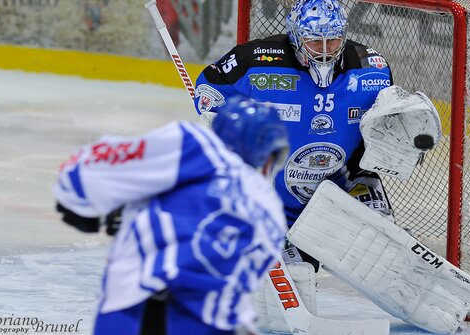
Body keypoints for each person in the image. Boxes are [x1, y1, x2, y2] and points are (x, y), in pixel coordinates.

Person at [53, 97, 291, 335]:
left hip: (137, 309)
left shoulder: (197, 145)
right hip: (213, 324)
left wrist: (93, 208)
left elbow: (80, 172)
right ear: (269, 155)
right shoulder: (271, 211)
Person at [194, 0, 395, 269]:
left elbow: (385, 126)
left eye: (333, 41)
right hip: (268, 192)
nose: (324, 51)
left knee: (379, 237)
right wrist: (219, 118)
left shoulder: (373, 68)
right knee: (289, 273)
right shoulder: (254, 60)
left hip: (339, 188)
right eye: (314, 41)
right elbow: (209, 89)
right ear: (296, 37)